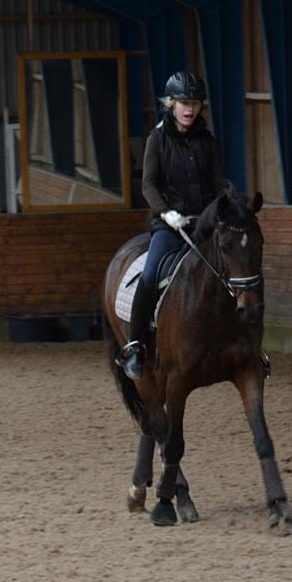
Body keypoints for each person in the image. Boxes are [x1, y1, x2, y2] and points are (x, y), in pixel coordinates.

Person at [121, 70, 229, 380]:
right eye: (184, 102)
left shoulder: (208, 143)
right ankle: (136, 346)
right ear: (171, 103)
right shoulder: (157, 139)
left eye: (194, 102)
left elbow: (219, 182)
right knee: (151, 273)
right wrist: (166, 213)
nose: (189, 108)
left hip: (203, 225)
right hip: (170, 226)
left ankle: (247, 345)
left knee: (236, 272)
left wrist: (225, 206)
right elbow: (148, 185)